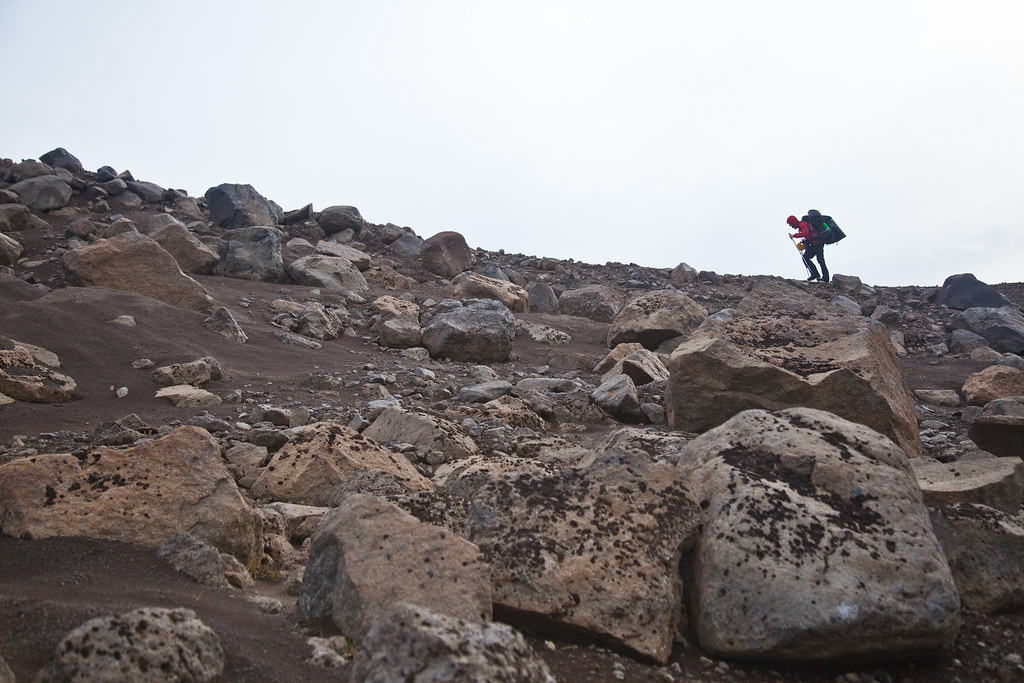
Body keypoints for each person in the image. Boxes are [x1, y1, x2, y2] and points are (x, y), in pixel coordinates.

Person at [787, 214, 828, 282]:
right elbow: (808, 234)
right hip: (815, 243)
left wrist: (794, 235)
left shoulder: (803, 224)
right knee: (806, 258)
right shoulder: (802, 225)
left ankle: (825, 278)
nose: (791, 226)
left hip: (817, 242)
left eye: (790, 224)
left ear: (793, 222)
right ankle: (815, 274)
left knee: (820, 259)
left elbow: (805, 233)